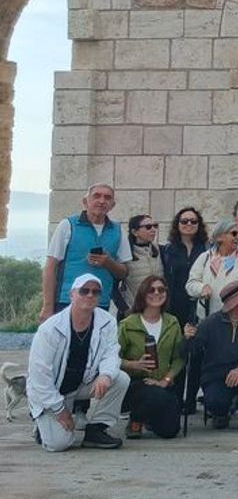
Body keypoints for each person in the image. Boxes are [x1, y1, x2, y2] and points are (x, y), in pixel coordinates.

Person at [27, 274, 130, 451]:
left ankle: (96, 429)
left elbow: (111, 353)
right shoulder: (49, 329)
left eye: (95, 292)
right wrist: (60, 410)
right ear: (72, 294)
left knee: (120, 378)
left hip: (81, 384)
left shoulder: (107, 321)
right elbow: (39, 376)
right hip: (52, 391)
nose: (90, 295)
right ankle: (42, 421)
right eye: (84, 291)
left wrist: (105, 375)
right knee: (59, 444)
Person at [187, 280, 238, 432]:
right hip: (217, 375)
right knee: (215, 402)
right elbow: (191, 351)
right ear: (236, 302)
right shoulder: (209, 324)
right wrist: (188, 338)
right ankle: (221, 412)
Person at [41, 183, 132, 320]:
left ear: (112, 205)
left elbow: (124, 272)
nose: (102, 201)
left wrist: (108, 263)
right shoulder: (68, 226)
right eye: (97, 196)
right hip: (67, 301)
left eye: (107, 198)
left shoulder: (118, 230)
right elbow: (51, 266)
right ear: (85, 201)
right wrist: (47, 307)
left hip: (100, 302)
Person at [118, 275, 183, 439]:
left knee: (170, 431)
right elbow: (112, 358)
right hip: (136, 382)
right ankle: (136, 418)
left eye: (161, 289)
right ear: (142, 293)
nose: (157, 293)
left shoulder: (173, 322)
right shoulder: (127, 324)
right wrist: (133, 364)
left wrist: (166, 380)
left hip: (162, 382)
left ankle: (150, 417)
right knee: (154, 395)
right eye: (151, 290)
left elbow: (179, 358)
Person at [163, 207, 206, 414]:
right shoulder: (168, 251)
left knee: (196, 353)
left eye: (193, 221)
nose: (189, 225)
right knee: (177, 352)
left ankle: (191, 400)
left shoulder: (206, 250)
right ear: (177, 224)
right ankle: (176, 397)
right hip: (174, 307)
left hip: (198, 306)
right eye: (184, 221)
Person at [185, 219, 238, 322]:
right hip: (207, 319)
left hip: (237, 319)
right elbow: (191, 284)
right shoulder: (205, 258)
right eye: (234, 233)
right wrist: (201, 288)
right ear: (219, 237)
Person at [118, 215, 164, 316]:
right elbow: (114, 286)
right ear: (135, 232)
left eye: (155, 226)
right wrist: (124, 309)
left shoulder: (160, 251)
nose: (153, 230)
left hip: (157, 309)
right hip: (133, 311)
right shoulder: (124, 254)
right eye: (148, 227)